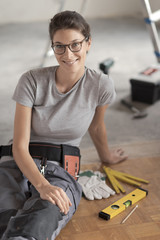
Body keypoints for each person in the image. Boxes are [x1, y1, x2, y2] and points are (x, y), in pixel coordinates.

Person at [0, 11, 127, 240]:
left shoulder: (101, 85)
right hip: (18, 163)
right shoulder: (31, 81)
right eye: (60, 46)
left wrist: (106, 156)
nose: (68, 54)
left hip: (61, 170)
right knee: (3, 219)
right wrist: (41, 185)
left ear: (88, 43)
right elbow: (19, 146)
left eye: (75, 45)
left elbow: (97, 127)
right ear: (53, 46)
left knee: (40, 220)